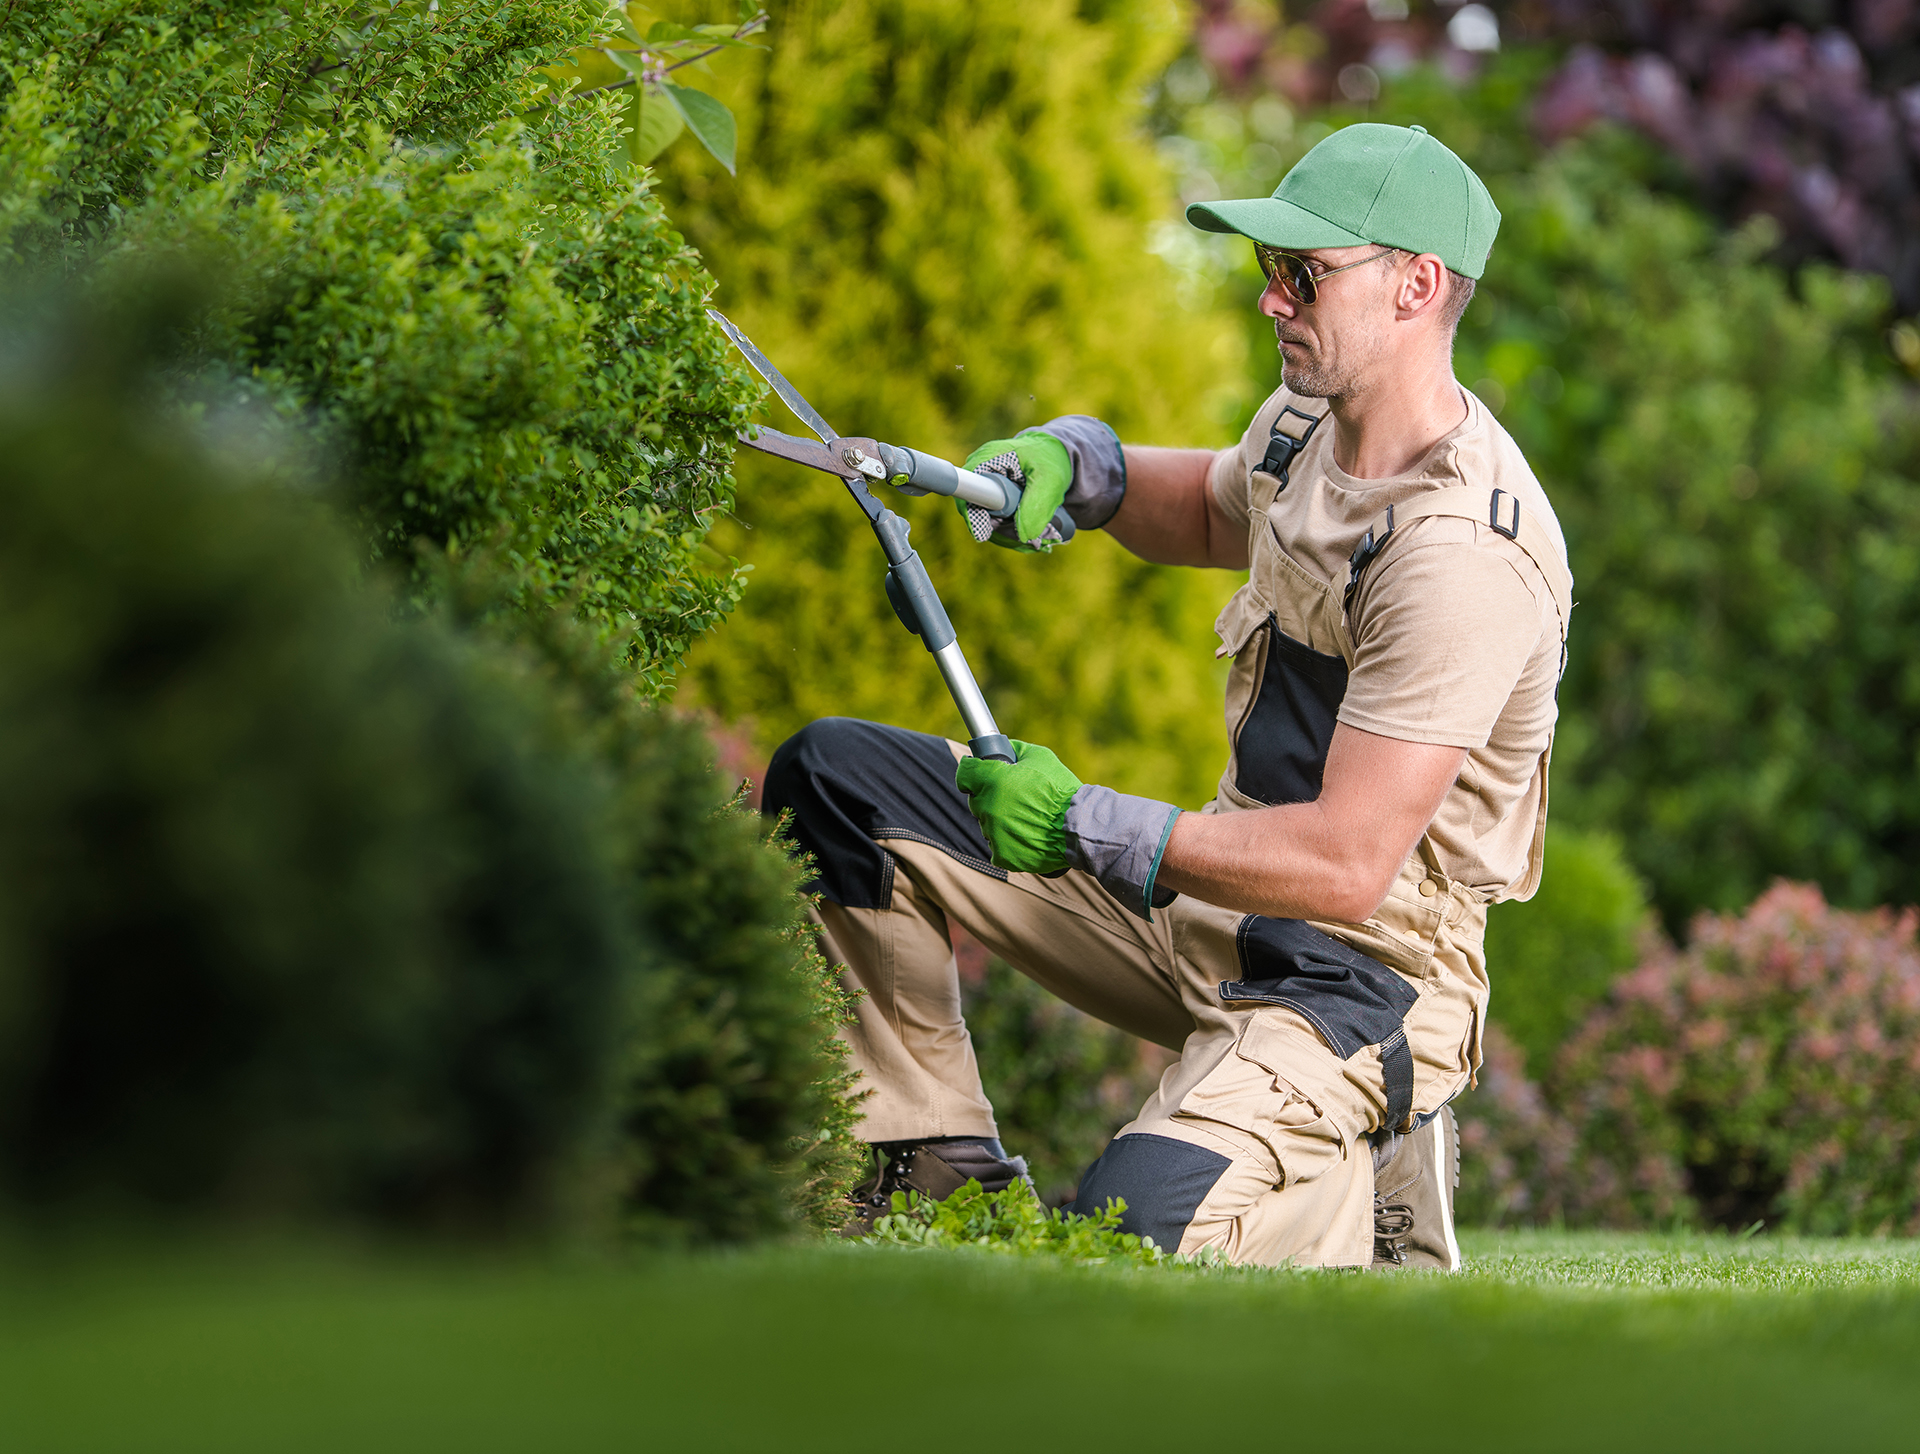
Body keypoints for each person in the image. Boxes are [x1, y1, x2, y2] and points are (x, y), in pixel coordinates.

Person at [764, 122, 1572, 1269]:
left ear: (1416, 286)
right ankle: (929, 1162)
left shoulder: (1461, 555)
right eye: (1266, 271)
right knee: (839, 782)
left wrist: (1085, 820)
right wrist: (1079, 464)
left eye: (1303, 275)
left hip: (1357, 982)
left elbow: (1347, 862)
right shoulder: (1309, 429)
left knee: (1127, 1237)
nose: (1271, 302)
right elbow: (1203, 507)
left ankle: (1361, 1173)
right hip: (1209, 915)